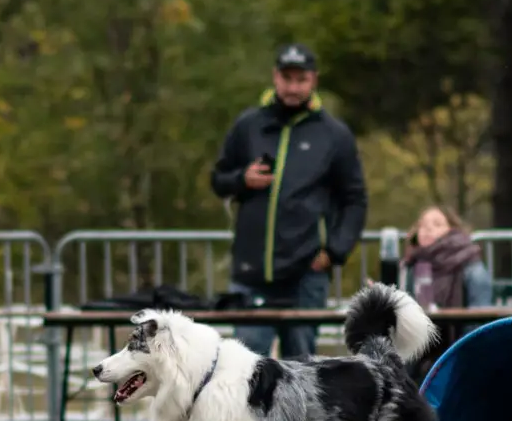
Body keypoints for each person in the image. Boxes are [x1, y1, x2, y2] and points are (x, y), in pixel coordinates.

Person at [209, 42, 368, 359]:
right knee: (246, 373)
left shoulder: (334, 135)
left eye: (301, 79)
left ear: (314, 81)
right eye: (287, 78)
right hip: (251, 275)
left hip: (305, 277)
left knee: (302, 374)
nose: (293, 87)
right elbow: (218, 179)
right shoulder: (248, 125)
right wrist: (243, 179)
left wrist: (334, 251)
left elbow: (355, 199)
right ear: (275, 78)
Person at [403, 205, 492, 310]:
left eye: (437, 224)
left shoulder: (472, 266)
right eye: (422, 225)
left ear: (452, 230)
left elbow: (480, 316)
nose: (428, 228)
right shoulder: (411, 265)